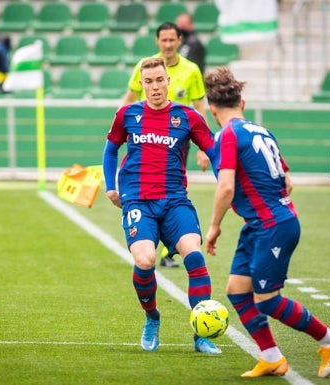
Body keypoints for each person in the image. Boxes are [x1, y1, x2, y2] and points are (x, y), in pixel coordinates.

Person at [203, 67, 330, 378]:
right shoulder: (260, 130)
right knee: (237, 290)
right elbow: (288, 181)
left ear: (211, 109)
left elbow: (226, 187)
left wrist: (214, 226)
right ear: (241, 104)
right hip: (264, 223)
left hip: (272, 226)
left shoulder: (227, 135)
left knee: (267, 300)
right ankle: (271, 358)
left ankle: (329, 339)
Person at [103, 57, 220, 355]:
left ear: (169, 81)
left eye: (160, 80)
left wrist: (225, 183)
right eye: (149, 81)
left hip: (175, 200)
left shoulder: (189, 116)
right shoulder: (127, 114)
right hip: (138, 201)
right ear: (141, 84)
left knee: (194, 255)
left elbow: (214, 151)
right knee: (145, 260)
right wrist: (110, 186)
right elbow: (111, 148)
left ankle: (201, 335)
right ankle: (152, 318)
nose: (155, 87)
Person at [121, 22, 209, 268]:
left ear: (179, 41)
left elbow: (200, 105)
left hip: (176, 135)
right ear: (157, 42)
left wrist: (203, 146)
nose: (168, 44)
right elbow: (128, 98)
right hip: (143, 135)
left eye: (172, 40)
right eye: (164, 40)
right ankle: (155, 240)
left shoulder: (192, 70)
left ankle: (171, 244)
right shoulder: (144, 66)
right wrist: (119, 127)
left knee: (171, 187)